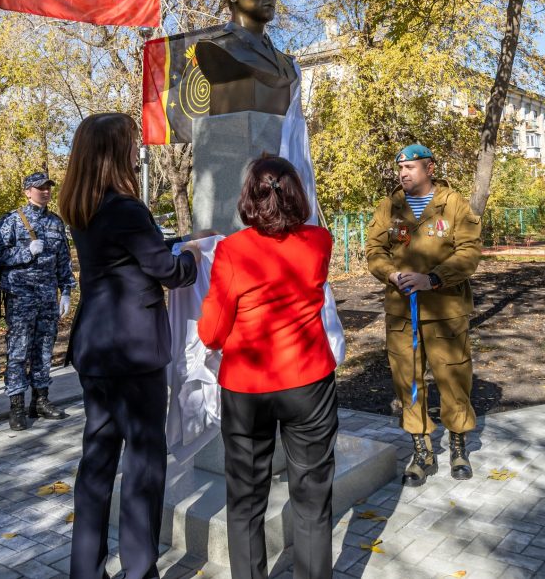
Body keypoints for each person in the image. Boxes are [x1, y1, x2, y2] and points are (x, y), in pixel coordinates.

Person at [60, 113, 199, 579]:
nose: (136, 151)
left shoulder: (81, 204)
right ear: (113, 153)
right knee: (143, 464)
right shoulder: (125, 208)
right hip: (133, 351)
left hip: (95, 346)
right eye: (130, 144)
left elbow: (127, 254)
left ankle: (86, 569)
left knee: (97, 462)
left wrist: (173, 244)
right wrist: (192, 257)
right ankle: (139, 570)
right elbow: (167, 270)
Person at [198, 156, 337, 579]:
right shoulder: (320, 241)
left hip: (247, 384)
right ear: (294, 192)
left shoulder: (233, 250)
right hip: (308, 380)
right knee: (312, 500)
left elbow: (212, 331)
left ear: (250, 196)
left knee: (245, 499)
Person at [364, 144, 482, 486]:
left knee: (454, 377)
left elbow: (469, 252)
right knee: (407, 381)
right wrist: (391, 273)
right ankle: (421, 450)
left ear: (429, 169)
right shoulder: (391, 207)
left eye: (411, 168)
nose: (403, 173)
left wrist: (432, 278)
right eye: (400, 168)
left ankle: (458, 445)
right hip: (403, 312)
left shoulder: (453, 204)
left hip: (445, 310)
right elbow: (374, 249)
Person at [0, 171, 77, 430]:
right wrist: (24, 252)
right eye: (40, 188)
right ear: (27, 191)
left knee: (44, 348)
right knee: (18, 351)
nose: (46, 191)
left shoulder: (55, 222)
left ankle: (40, 400)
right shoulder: (12, 221)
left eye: (48, 187)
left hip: (47, 296)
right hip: (21, 296)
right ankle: (16, 405)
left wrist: (67, 290)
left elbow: (63, 259)